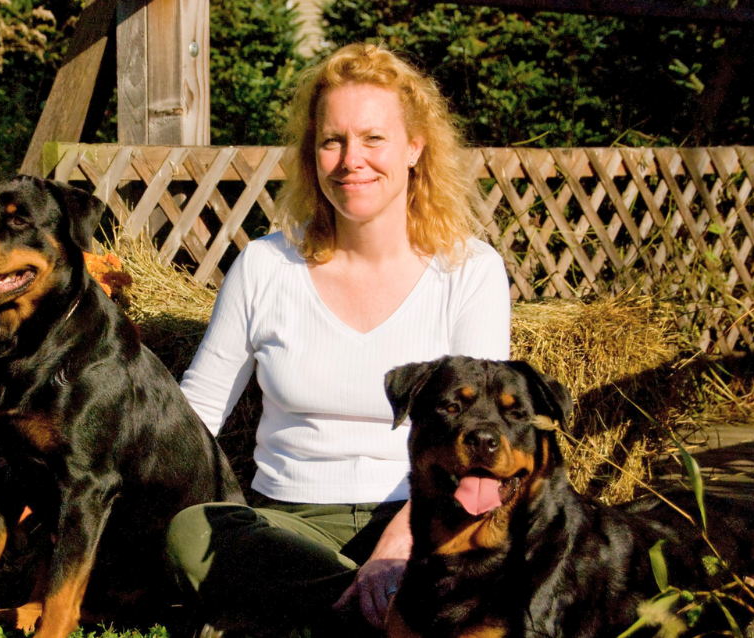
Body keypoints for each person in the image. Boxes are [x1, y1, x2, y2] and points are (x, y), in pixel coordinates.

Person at [165, 43, 511, 634]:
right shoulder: (265, 267)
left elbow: (482, 435)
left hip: (425, 521)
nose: (352, 160)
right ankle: (380, 616)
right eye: (333, 141)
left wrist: (396, 549)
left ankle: (310, 618)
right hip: (290, 528)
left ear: (414, 147)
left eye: (373, 138)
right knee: (192, 534)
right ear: (312, 153)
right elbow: (194, 416)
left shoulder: (470, 271)